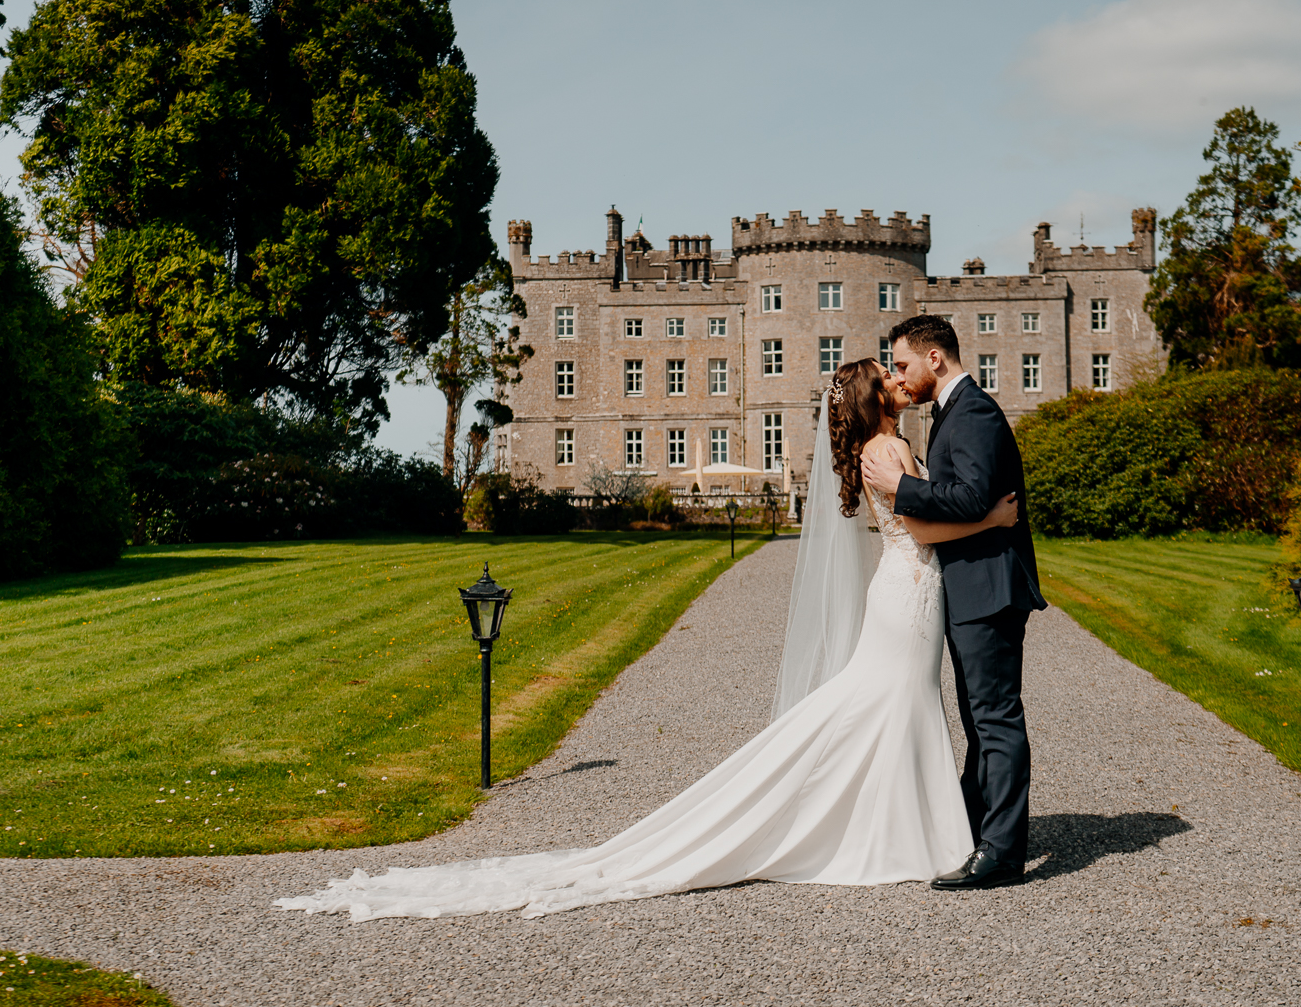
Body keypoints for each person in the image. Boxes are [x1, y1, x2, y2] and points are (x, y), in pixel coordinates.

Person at [274, 357, 1018, 920]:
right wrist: (991, 522)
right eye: (884, 375)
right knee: (885, 705)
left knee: (893, 707)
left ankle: (903, 829)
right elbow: (919, 525)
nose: (895, 377)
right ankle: (900, 834)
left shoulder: (887, 445)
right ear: (872, 400)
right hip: (909, 594)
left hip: (910, 592)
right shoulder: (884, 452)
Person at [862, 313, 1045, 891]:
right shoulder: (950, 414)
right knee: (979, 719)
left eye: (902, 364)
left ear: (933, 358)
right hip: (971, 588)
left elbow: (970, 498)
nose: (899, 375)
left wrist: (901, 489)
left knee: (994, 719)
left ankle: (1002, 852)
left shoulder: (975, 412)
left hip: (989, 588)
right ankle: (975, 830)